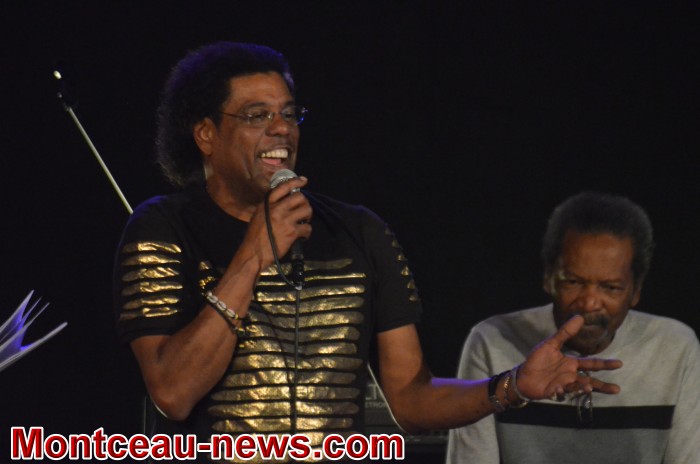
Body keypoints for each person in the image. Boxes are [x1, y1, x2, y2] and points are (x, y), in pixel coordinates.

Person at [113, 42, 622, 462]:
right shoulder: (164, 228)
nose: (281, 129)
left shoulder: (358, 231)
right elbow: (173, 393)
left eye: (289, 113)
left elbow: (411, 400)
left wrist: (511, 387)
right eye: (256, 115)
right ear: (205, 134)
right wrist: (252, 257)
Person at [446, 191, 700, 464]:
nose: (589, 303)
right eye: (574, 282)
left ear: (635, 291)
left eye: (610, 287)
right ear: (548, 278)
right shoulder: (492, 341)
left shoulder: (675, 347)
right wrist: (514, 387)